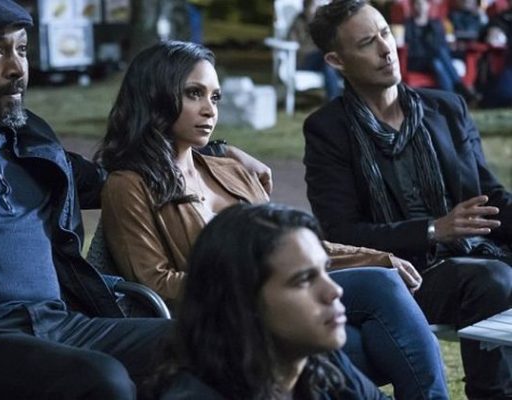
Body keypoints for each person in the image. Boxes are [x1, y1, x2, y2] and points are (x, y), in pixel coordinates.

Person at [92, 40, 449, 399]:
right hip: (222, 320)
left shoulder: (231, 169)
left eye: (215, 97)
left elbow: (294, 249)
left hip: (281, 305)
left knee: (375, 310)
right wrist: (251, 282)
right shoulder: (128, 184)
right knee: (376, 318)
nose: (209, 110)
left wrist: (378, 256)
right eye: (194, 94)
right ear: (155, 96)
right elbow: (155, 282)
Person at [0, 0, 175, 399]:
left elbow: (114, 179)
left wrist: (213, 154)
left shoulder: (31, 139)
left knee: (207, 342)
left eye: (21, 49)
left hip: (62, 324)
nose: (17, 68)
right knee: (103, 378)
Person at [304, 0, 512, 397]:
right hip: (406, 276)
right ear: (336, 60)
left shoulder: (446, 108)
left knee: (493, 273)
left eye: (385, 33)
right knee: (492, 279)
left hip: (477, 252)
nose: (386, 49)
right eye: (367, 42)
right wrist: (433, 230)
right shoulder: (328, 130)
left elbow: (490, 197)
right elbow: (342, 232)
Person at [151, 203, 389, 399]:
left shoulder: (322, 365)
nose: (334, 290)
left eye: (325, 270)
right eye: (304, 280)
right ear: (243, 301)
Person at [404, 0, 478, 101]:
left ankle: (451, 98)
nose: (420, 7)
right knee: (439, 53)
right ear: (413, 6)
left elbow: (442, 43)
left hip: (434, 59)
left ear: (428, 6)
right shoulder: (408, 25)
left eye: (423, 3)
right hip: (417, 61)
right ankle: (459, 86)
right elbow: (412, 48)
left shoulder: (435, 24)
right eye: (417, 4)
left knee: (437, 63)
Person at [288, 0, 341, 101]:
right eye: (313, 6)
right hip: (304, 60)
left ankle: (333, 101)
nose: (316, 10)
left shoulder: (320, 22)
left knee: (328, 66)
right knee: (327, 56)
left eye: (317, 7)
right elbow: (292, 43)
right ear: (306, 7)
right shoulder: (298, 22)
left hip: (321, 60)